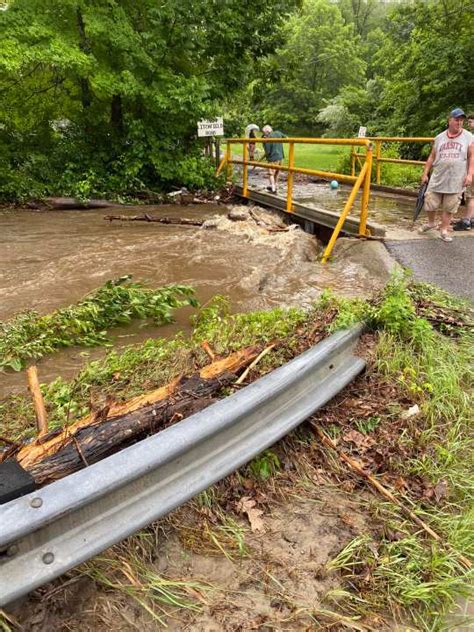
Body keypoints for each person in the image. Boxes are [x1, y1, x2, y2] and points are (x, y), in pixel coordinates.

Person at [420, 108, 473, 242]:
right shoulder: (439, 137)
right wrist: (425, 173)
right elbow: (432, 157)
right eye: (456, 120)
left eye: (461, 120)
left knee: (450, 206)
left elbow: (472, 157)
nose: (459, 122)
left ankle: (444, 229)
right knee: (430, 201)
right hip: (438, 176)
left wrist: (470, 174)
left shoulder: (468, 137)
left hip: (456, 178)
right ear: (449, 120)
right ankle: (431, 223)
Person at [453, 112, 474, 231]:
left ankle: (467, 220)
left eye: (471, 121)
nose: (468, 124)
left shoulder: (471, 137)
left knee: (471, 196)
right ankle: (472, 219)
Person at [261, 124, 286, 194]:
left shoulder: (267, 138)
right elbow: (286, 138)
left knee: (271, 173)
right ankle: (275, 185)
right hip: (280, 157)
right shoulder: (278, 133)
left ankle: (273, 188)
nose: (263, 134)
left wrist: (264, 142)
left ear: (267, 132)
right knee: (277, 173)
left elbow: (268, 151)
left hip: (273, 158)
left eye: (264, 132)